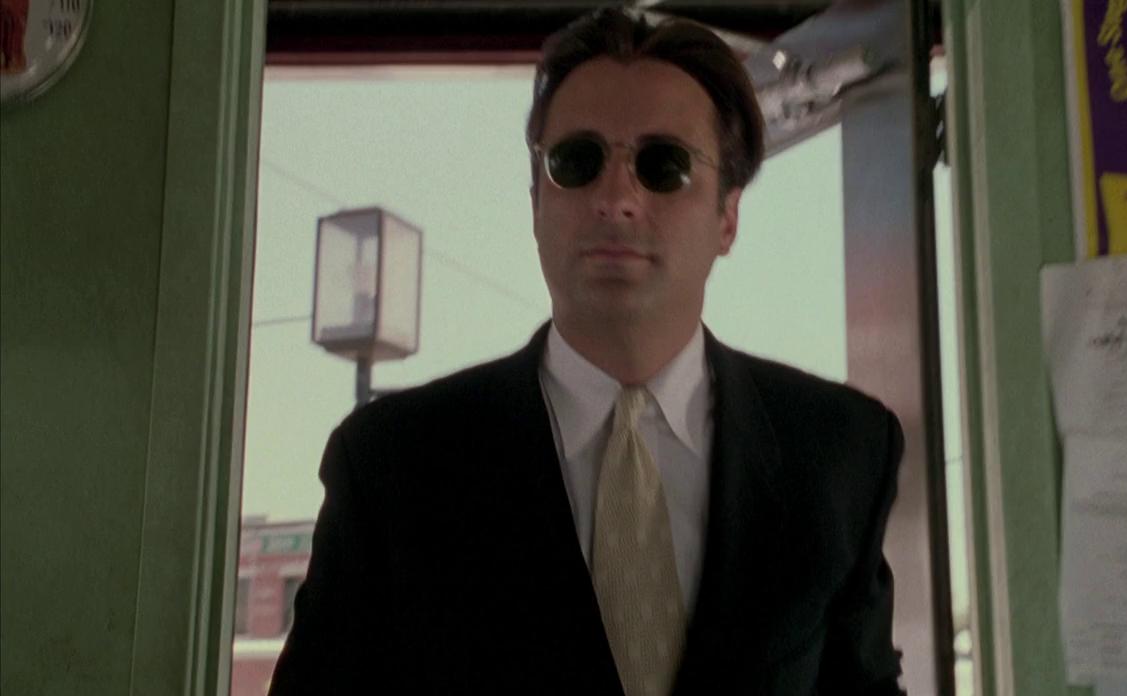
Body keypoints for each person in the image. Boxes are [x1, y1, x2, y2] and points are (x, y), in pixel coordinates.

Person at [269, 8, 904, 695]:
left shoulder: (838, 453)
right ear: (536, 201)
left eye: (664, 165)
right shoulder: (392, 466)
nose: (617, 198)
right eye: (577, 161)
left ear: (728, 216)